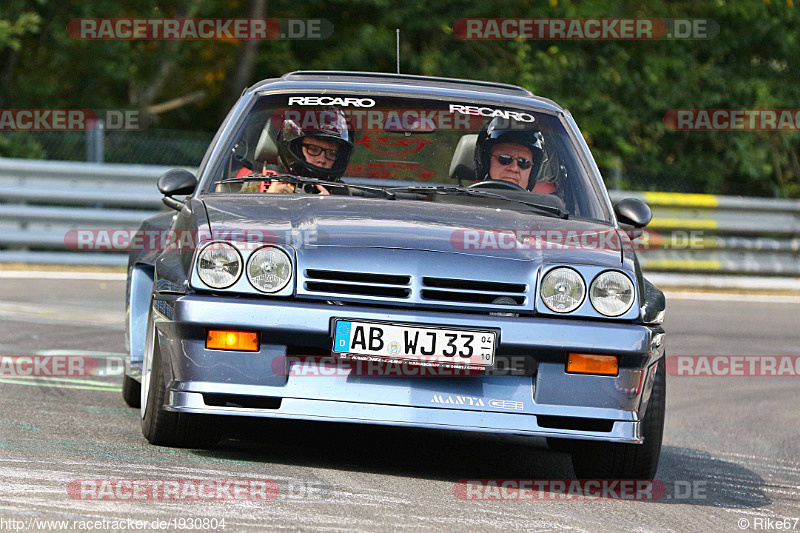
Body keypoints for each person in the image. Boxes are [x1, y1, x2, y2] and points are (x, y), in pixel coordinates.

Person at [267, 107, 354, 194]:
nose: (322, 159)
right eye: (313, 150)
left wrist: (329, 206)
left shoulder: (341, 195)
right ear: (297, 150)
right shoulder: (258, 185)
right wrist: (269, 201)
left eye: (331, 153)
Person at [474, 117, 555, 193]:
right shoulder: (464, 201)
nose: (514, 168)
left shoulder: (545, 206)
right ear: (486, 161)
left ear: (533, 171)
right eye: (505, 159)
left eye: (524, 162)